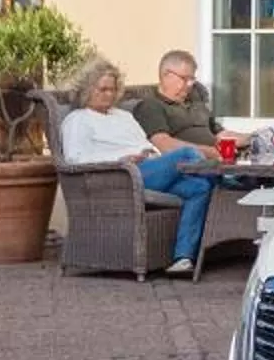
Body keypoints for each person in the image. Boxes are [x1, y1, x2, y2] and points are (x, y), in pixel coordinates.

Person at [57, 58, 217, 274]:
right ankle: (229, 178)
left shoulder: (123, 116)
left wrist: (149, 154)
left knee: (199, 187)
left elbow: (145, 143)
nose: (109, 95)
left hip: (149, 169)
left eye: (113, 89)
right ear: (86, 90)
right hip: (121, 176)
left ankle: (183, 258)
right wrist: (122, 159)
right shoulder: (78, 120)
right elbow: (76, 160)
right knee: (188, 154)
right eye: (102, 89)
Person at [129, 51, 224, 156]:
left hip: (220, 161)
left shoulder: (197, 103)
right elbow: (164, 145)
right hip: (188, 165)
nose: (190, 84)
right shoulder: (151, 106)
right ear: (166, 75)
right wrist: (211, 152)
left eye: (192, 79)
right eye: (185, 78)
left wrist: (245, 139)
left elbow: (220, 134)